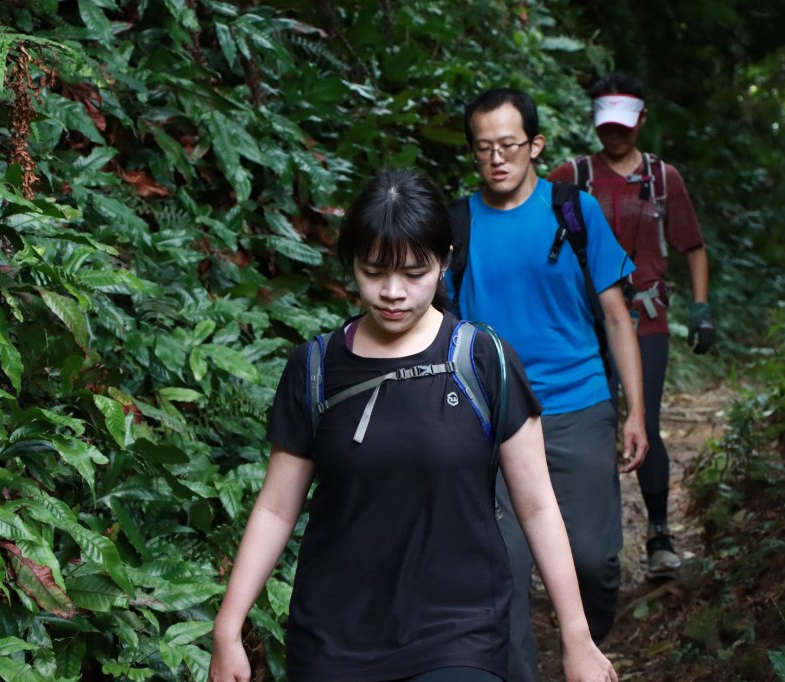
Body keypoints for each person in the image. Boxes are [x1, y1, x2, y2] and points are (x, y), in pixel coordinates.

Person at [208, 169, 618, 682]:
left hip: (459, 632)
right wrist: (228, 627)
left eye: (414, 272)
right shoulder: (314, 369)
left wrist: (576, 637)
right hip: (333, 639)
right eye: (374, 272)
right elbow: (274, 508)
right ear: (350, 264)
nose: (393, 292)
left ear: (445, 259)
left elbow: (536, 507)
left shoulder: (482, 360)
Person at [449, 88, 648, 682]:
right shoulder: (455, 224)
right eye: (483, 149)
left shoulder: (574, 210)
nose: (497, 159)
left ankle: (586, 647)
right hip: (490, 417)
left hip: (578, 405)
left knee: (594, 561)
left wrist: (636, 411)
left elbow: (616, 316)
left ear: (535, 145)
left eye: (509, 145)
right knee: (502, 569)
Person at [548, 73, 715, 578]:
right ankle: (590, 545)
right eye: (606, 125)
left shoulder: (664, 180)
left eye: (624, 125)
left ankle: (660, 534)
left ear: (642, 120)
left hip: (646, 318)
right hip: (583, 324)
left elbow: (693, 246)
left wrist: (701, 308)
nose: (615, 134)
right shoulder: (569, 177)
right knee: (592, 426)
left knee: (644, 421)